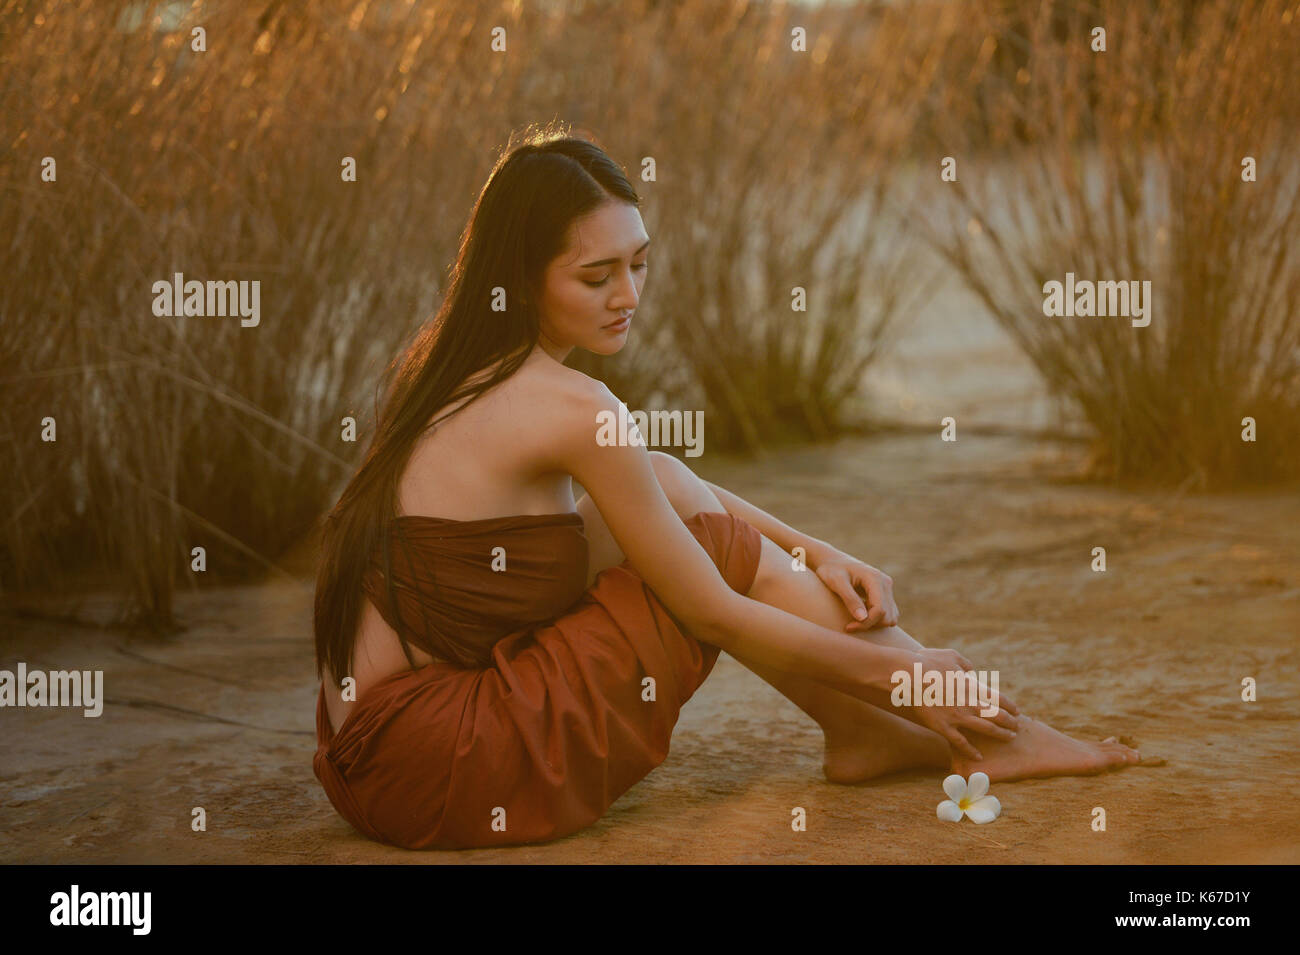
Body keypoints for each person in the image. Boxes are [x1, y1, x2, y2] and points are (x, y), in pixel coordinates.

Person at [311, 126, 1140, 850]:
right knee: (708, 552)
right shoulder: (569, 407)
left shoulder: (436, 373)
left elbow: (661, 480)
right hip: (448, 764)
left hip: (370, 765)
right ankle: (961, 730)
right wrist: (909, 677)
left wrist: (821, 549)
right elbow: (709, 607)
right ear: (523, 279)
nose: (628, 296)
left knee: (668, 489)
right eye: (596, 276)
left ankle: (869, 733)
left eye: (638, 265)